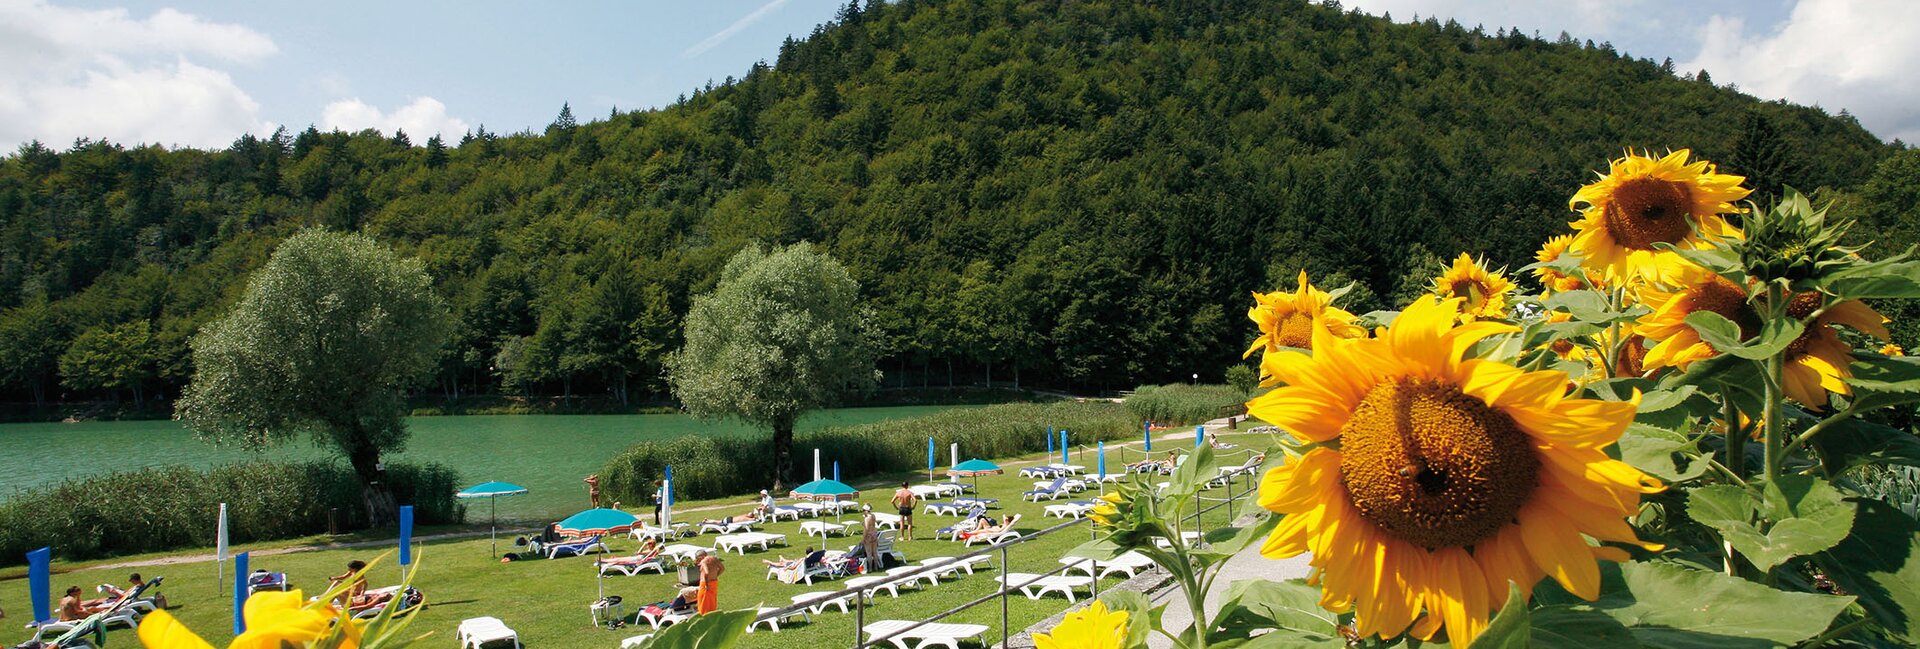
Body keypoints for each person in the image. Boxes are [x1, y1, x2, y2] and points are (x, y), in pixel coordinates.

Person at [694, 550, 724, 614]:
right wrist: (716, 575)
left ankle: (703, 616)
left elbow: (706, 572)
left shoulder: (703, 561)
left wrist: (706, 584)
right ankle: (712, 614)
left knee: (703, 603)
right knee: (712, 601)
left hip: (705, 584)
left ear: (700, 557)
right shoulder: (714, 559)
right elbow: (722, 568)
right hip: (714, 582)